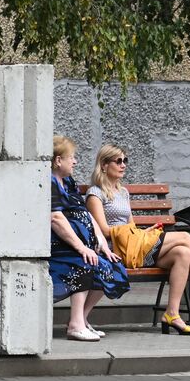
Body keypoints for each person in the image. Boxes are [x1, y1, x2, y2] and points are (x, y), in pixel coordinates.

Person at [85, 144, 190, 335]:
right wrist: (135, 234)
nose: (123, 165)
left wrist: (144, 231)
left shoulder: (123, 192)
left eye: (125, 160)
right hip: (116, 250)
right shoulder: (95, 194)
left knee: (183, 253)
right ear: (104, 165)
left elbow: (130, 226)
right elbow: (105, 231)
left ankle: (172, 314)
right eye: (119, 161)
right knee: (184, 236)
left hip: (134, 244)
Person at [49, 135, 129, 341]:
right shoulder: (50, 182)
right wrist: (82, 248)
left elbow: (86, 214)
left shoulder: (67, 181)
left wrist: (103, 246)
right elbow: (56, 218)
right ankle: (75, 326)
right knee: (84, 263)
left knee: (113, 267)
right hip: (61, 247)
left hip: (78, 245)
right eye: (71, 157)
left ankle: (82, 319)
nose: (75, 161)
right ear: (58, 160)